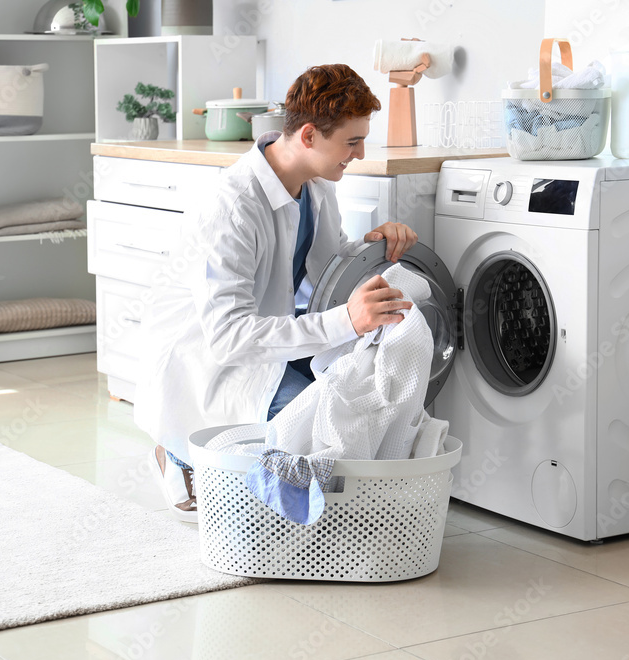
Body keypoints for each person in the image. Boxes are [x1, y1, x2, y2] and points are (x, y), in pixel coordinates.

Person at [133, 64, 420, 521]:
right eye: (352, 141)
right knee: (300, 436)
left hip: (267, 338)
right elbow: (227, 338)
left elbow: (325, 262)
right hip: (204, 355)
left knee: (341, 413)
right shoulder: (233, 206)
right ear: (309, 135)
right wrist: (347, 320)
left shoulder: (315, 185)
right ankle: (176, 452)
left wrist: (373, 248)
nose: (361, 153)